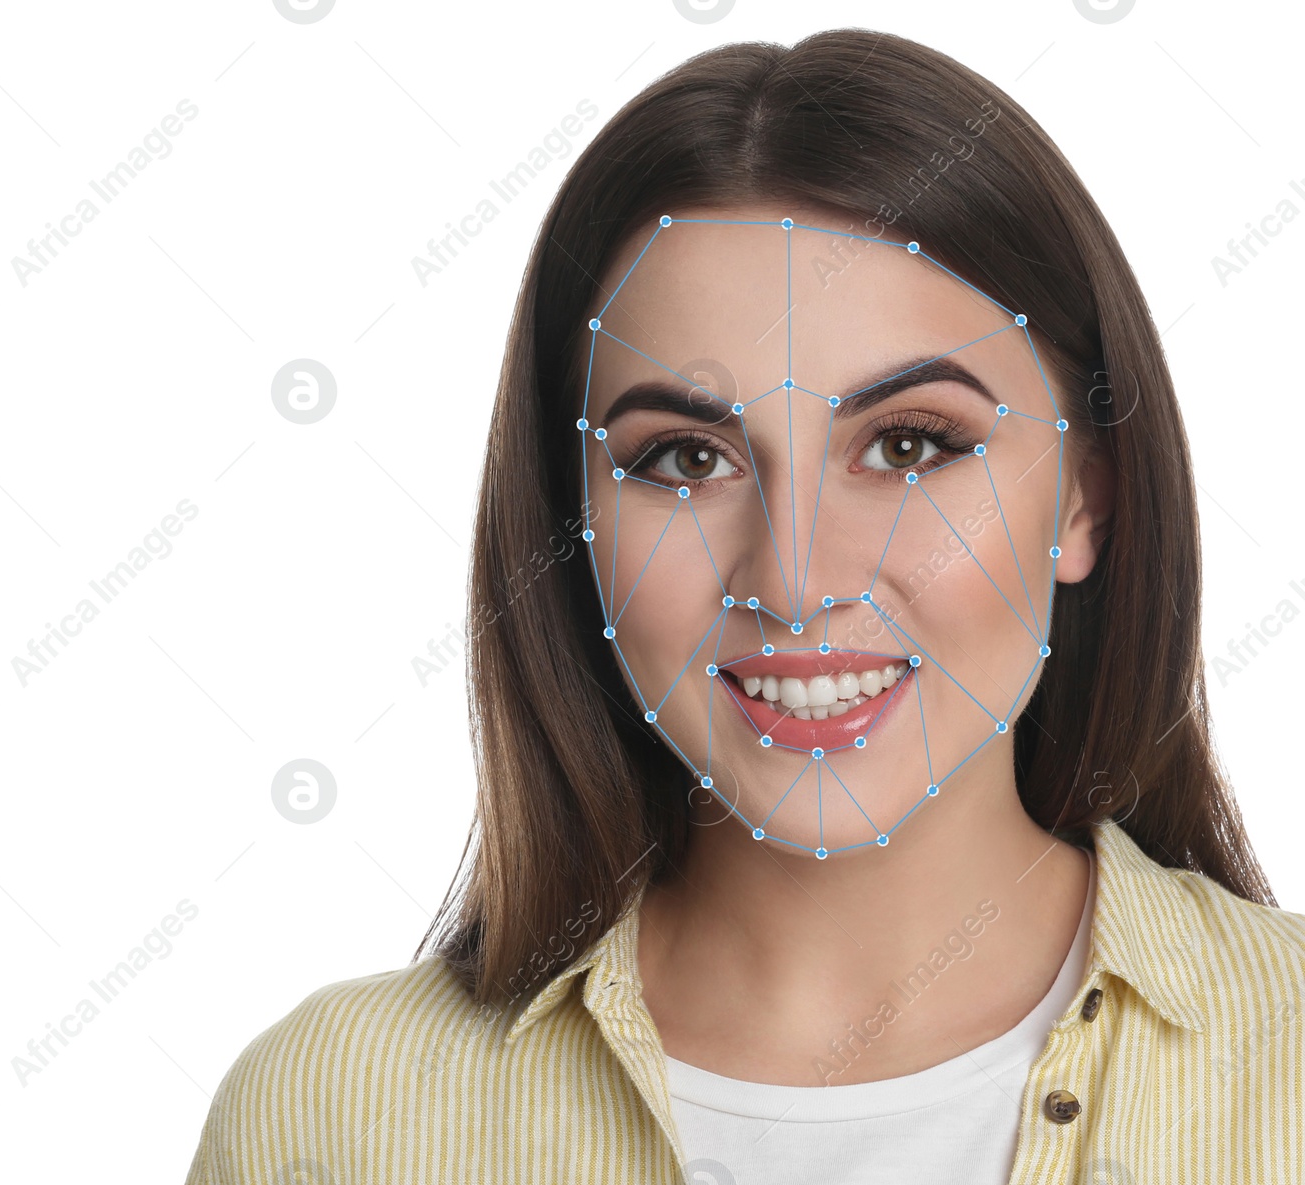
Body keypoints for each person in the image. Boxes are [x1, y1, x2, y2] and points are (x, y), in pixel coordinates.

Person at [183, 30, 1305, 1185]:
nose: (793, 581)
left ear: (1085, 497)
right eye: (682, 461)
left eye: (911, 445)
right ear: (568, 529)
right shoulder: (329, 1119)